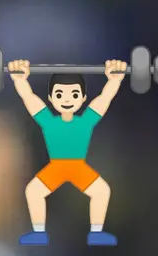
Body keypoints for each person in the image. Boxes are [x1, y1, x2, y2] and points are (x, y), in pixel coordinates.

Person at [9, 59, 125, 247]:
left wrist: (114, 80)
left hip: (78, 167)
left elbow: (104, 99)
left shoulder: (85, 121)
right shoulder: (49, 121)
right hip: (56, 167)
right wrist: (20, 80)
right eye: (60, 94)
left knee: (102, 191)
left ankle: (96, 232)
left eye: (74, 94)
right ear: (51, 98)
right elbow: (29, 99)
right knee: (33, 191)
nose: (67, 100)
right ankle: (39, 232)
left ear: (83, 98)